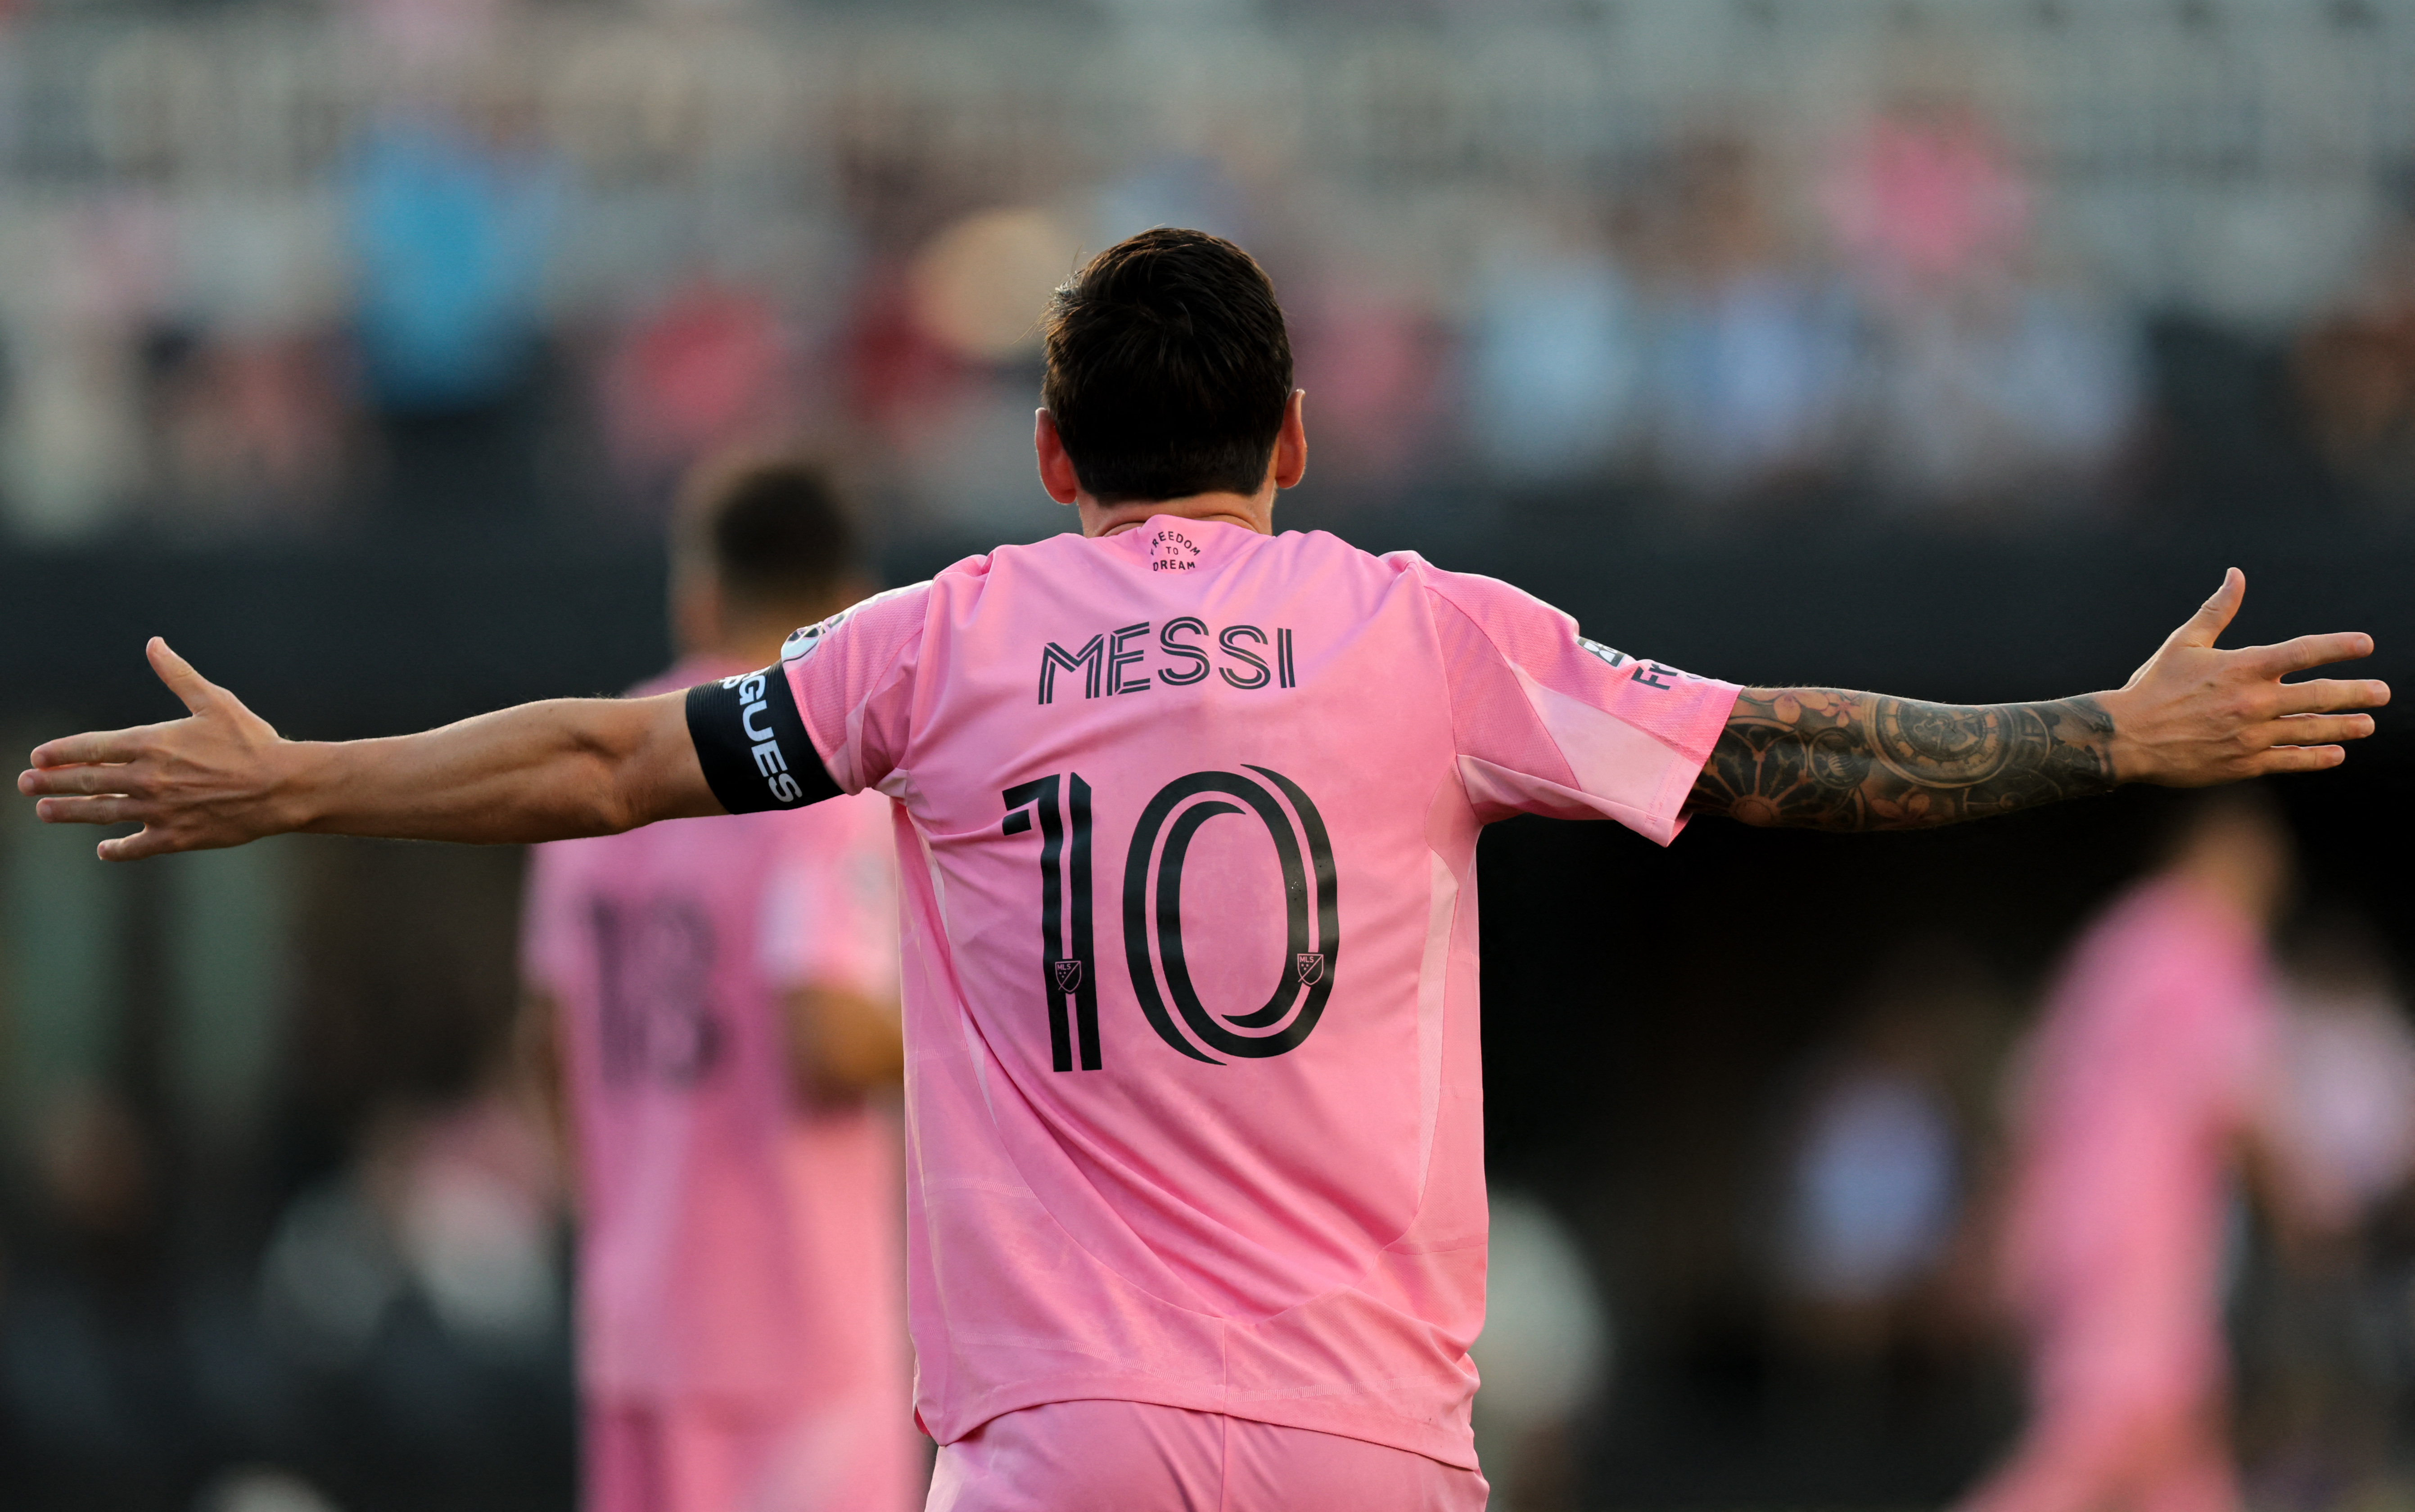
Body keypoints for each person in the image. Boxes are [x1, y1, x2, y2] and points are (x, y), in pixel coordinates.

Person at [18, 229, 2388, 1511]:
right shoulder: (1432, 636)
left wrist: (300, 776)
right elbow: (1773, 752)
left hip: (1054, 1442)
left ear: (1053, 453)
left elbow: (607, 756)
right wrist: (2106, 730)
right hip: (1364, 1438)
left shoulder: (938, 642)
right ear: (1296, 436)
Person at [517, 457, 918, 1512]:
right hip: (792, 1328)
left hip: (637, 1321)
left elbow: (547, 1038)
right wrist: (989, 1020)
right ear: (851, 602)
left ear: (700, 594)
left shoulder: (608, 761)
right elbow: (826, 1032)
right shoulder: (817, 768)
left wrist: (617, 1215)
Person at [1964, 794, 2324, 1512]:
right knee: (2105, 1438)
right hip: (2144, 1234)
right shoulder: (2208, 944)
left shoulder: (2114, 941)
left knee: (2176, 1450)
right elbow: (2229, 1093)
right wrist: (2299, 1202)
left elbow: (2031, 1094)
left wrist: (2002, 1224)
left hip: (2071, 1220)